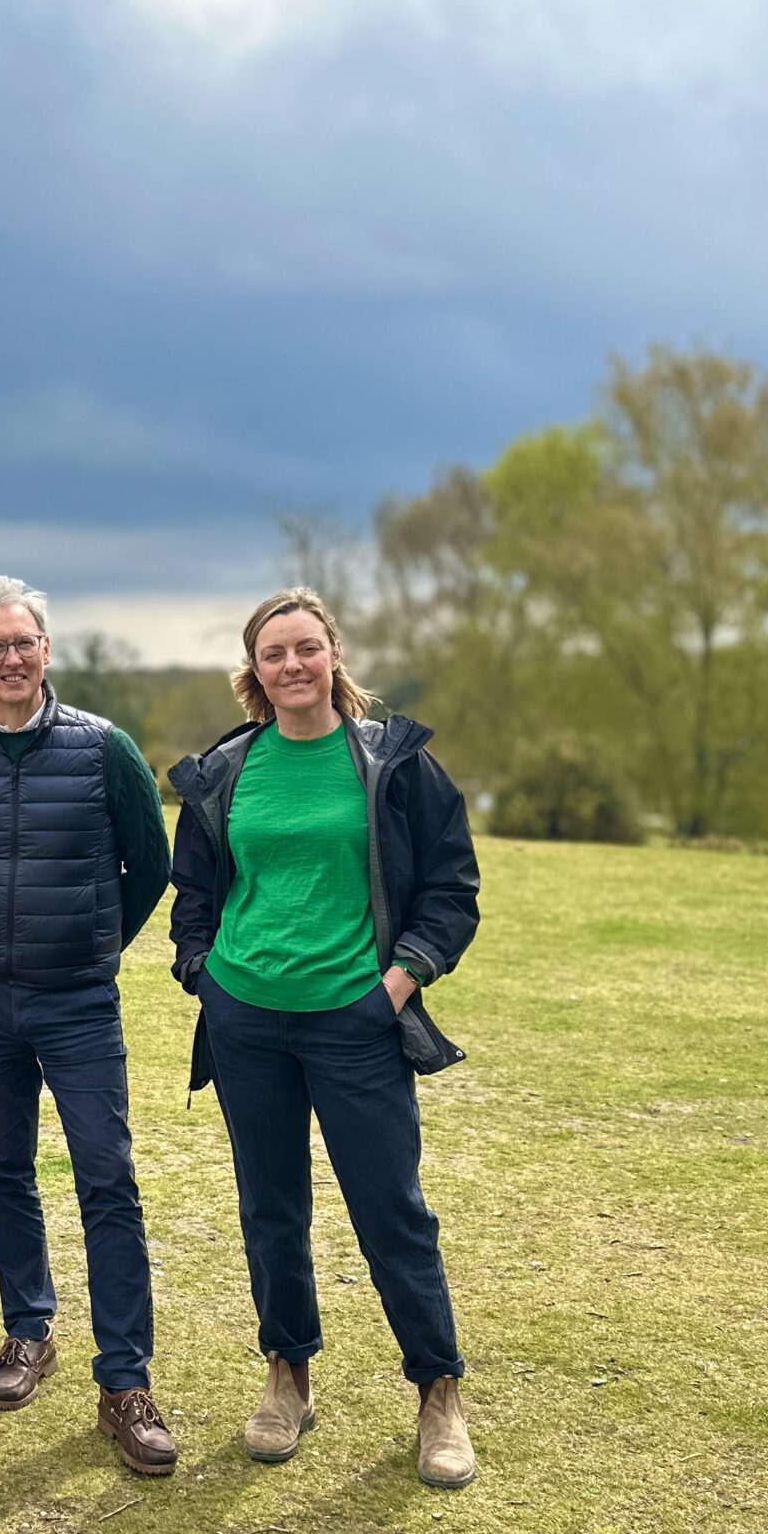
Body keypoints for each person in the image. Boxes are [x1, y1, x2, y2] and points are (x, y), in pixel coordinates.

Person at [165, 586, 482, 1486]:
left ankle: (439, 1394)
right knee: (271, 1210)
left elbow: (450, 891)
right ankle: (287, 1374)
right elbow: (193, 892)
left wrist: (395, 985)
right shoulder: (227, 772)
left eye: (307, 648)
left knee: (391, 1212)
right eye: (275, 654)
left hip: (356, 1023)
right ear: (254, 673)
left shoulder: (393, 764)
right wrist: (206, 974)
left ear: (333, 655)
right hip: (246, 1021)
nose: (293, 666)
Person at [0, 576, 180, 1475]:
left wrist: (95, 944)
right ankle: (28, 1331)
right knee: (4, 1170)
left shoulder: (106, 749)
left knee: (108, 1177)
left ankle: (126, 1383)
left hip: (78, 1003)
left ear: (46, 651)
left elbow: (151, 864)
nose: (12, 659)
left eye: (25, 643)